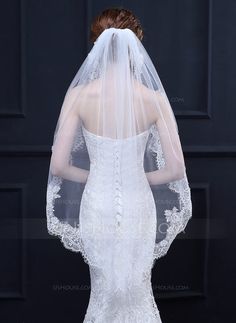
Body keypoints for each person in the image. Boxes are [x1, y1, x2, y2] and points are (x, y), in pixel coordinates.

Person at [46, 7, 192, 322]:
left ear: (95, 46)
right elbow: (175, 170)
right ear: (136, 45)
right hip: (139, 202)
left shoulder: (79, 95)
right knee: (137, 288)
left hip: (96, 203)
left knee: (104, 290)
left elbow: (58, 166)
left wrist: (97, 175)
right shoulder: (153, 99)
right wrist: (137, 176)